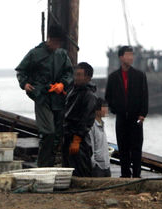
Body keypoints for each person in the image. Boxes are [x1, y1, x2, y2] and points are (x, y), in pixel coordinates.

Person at [15, 29, 74, 167]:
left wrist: (62, 84)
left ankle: (50, 165)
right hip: (41, 97)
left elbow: (69, 72)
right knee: (48, 132)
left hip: (58, 98)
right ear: (48, 39)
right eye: (54, 42)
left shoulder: (62, 54)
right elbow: (21, 70)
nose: (56, 45)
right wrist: (24, 84)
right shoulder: (35, 53)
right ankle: (42, 165)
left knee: (57, 135)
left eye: (59, 43)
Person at [105, 46, 148, 178]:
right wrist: (115, 109)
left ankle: (136, 175)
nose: (131, 58)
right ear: (121, 57)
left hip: (136, 117)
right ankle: (125, 174)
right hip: (121, 117)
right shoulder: (113, 77)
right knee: (123, 147)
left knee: (136, 147)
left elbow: (144, 96)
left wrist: (142, 114)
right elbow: (108, 97)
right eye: (128, 55)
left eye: (132, 55)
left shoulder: (139, 76)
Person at [62, 62, 97, 177]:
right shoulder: (73, 90)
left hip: (79, 140)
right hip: (67, 135)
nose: (76, 77)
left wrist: (76, 141)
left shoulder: (89, 96)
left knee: (80, 170)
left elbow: (86, 121)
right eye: (75, 74)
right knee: (67, 169)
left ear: (87, 77)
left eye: (79, 75)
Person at [89, 98, 111, 177]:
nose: (106, 109)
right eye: (104, 107)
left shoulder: (102, 124)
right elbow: (91, 146)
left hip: (106, 166)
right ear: (97, 110)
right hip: (97, 167)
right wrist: (94, 165)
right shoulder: (91, 126)